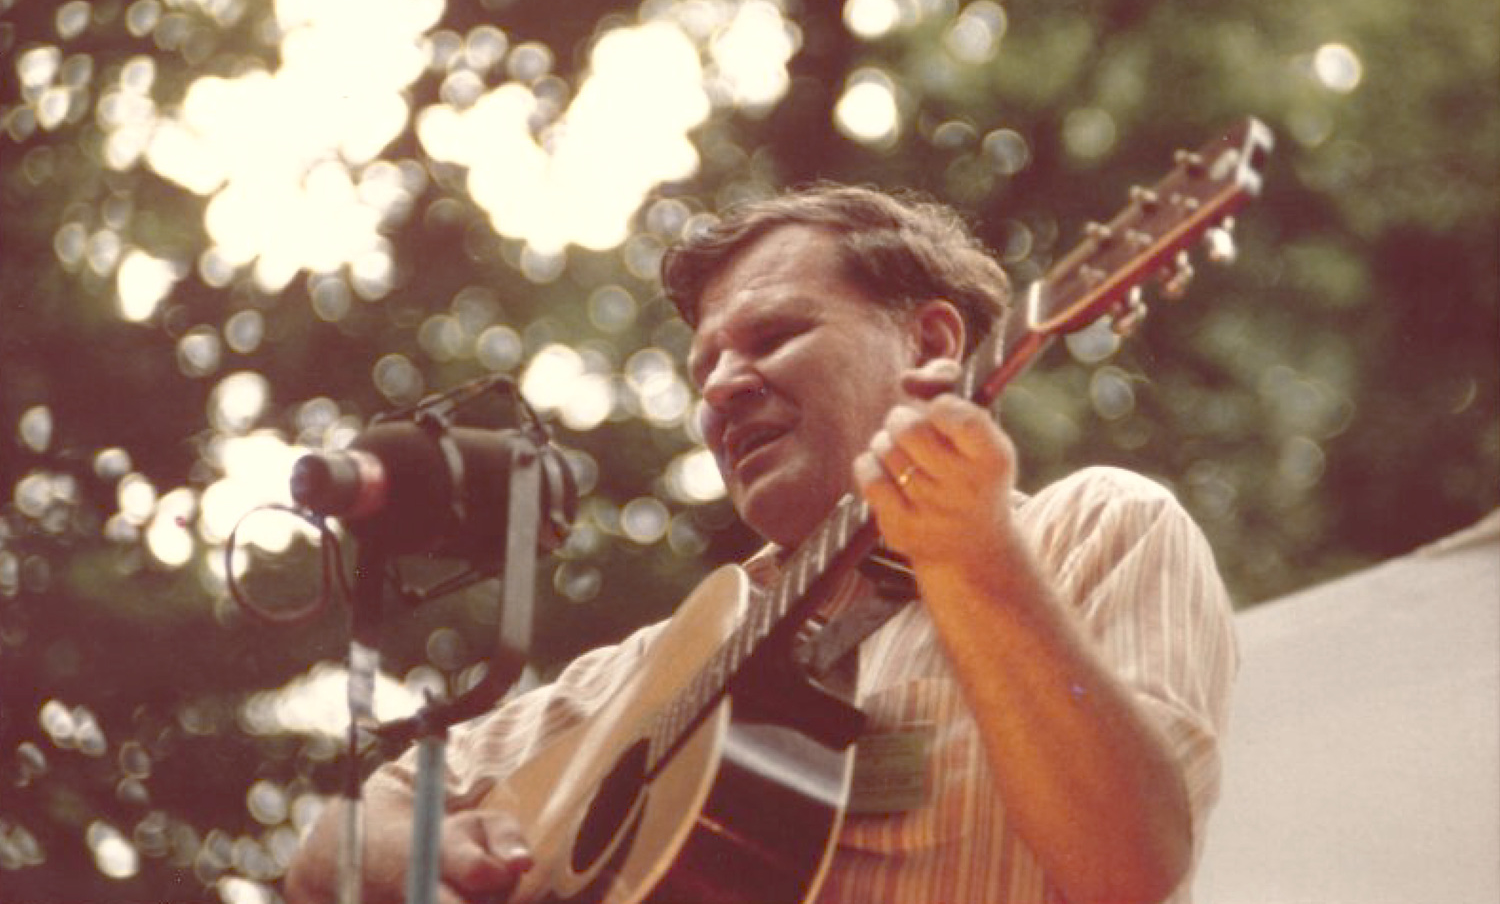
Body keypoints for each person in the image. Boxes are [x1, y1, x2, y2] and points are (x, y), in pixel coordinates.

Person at [285, 185, 1238, 904]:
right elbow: (326, 842)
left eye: (774, 335)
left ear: (932, 344)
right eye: (706, 365)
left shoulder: (1096, 527)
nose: (723, 387)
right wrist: (444, 852)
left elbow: (1133, 866)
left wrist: (977, 562)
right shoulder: (656, 667)